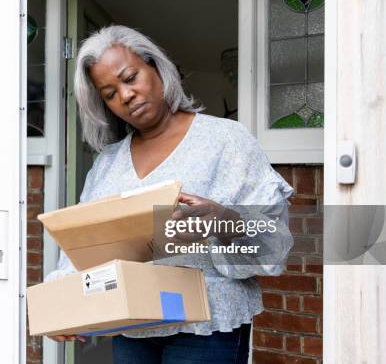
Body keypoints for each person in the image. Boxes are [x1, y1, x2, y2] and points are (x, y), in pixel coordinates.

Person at [45, 25, 293, 364]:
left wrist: (225, 221)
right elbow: (82, 248)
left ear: (157, 68)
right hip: (135, 325)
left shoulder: (227, 141)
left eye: (130, 77)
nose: (126, 95)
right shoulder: (107, 164)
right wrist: (63, 304)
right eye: (109, 93)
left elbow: (274, 245)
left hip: (206, 328)